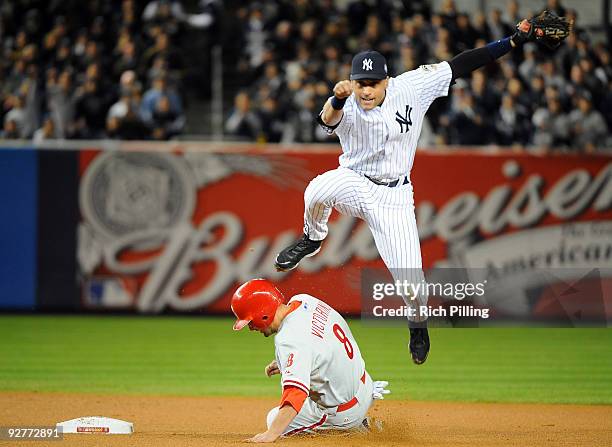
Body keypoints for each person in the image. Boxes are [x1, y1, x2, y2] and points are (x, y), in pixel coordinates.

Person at [274, 13, 570, 365]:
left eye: (373, 82)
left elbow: (462, 64)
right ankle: (313, 237)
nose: (366, 89)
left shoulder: (412, 87)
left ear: (387, 80)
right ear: (352, 83)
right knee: (318, 189)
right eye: (360, 83)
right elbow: (325, 120)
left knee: (412, 286)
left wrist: (513, 41)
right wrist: (337, 99)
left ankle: (418, 325)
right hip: (354, 181)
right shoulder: (348, 103)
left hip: (395, 197)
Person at [231, 279, 389, 442]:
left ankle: (355, 428)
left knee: (273, 418)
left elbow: (295, 394)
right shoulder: (305, 300)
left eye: (250, 322)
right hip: (365, 385)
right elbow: (320, 341)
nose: (250, 328)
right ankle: (357, 418)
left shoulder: (289, 340)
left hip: (343, 411)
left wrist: (271, 434)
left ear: (263, 314)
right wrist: (289, 362)